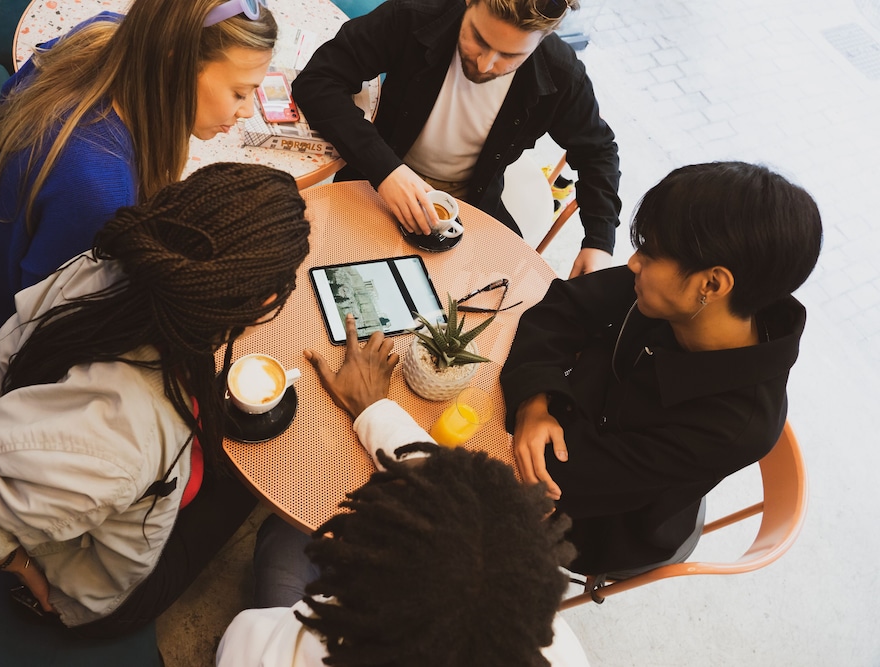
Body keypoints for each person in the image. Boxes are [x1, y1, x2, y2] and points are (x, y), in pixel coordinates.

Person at [0, 163, 311, 637]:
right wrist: (15, 560)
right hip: (95, 587)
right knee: (260, 478)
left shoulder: (113, 264)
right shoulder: (107, 445)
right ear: (265, 301)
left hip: (37, 445)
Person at [500, 161, 823, 575]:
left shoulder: (735, 425)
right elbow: (565, 305)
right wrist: (535, 397)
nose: (633, 263)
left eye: (650, 253)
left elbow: (565, 476)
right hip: (572, 425)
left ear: (712, 284)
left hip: (599, 522)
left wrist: (544, 383)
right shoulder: (678, 294)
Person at [215, 313, 589, 667]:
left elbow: (239, 641)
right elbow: (446, 493)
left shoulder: (303, 649)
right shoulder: (550, 646)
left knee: (284, 536)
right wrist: (373, 408)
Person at [0, 0, 278, 353]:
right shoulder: (99, 189)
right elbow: (47, 325)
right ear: (174, 64)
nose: (247, 110)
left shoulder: (103, 34)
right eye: (239, 93)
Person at [292, 0, 621, 278]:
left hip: (472, 205)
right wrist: (387, 171)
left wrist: (599, 241)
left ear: (541, 40)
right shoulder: (415, 14)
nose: (485, 63)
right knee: (325, 278)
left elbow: (597, 152)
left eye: (509, 55)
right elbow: (318, 80)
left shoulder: (561, 72)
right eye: (478, 38)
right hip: (373, 180)